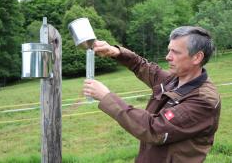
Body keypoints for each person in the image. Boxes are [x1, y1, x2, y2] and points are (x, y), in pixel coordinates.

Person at [83, 26, 221, 163]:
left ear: (197, 57)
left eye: (176, 52)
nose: (168, 57)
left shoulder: (204, 100)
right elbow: (141, 66)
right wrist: (115, 52)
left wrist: (106, 97)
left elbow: (154, 129)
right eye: (169, 50)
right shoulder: (173, 80)